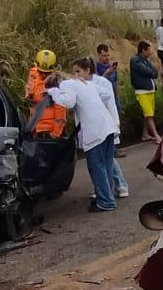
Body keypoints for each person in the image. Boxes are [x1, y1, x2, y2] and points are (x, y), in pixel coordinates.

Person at [44, 60, 117, 212]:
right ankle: (108, 195)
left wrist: (53, 93)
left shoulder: (66, 85)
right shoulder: (85, 83)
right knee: (107, 164)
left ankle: (106, 201)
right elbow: (106, 94)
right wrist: (90, 98)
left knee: (97, 167)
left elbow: (68, 102)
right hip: (108, 126)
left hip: (95, 130)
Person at [86, 62, 129, 198]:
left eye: (77, 71)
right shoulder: (83, 84)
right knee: (100, 160)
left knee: (106, 159)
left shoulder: (101, 83)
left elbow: (110, 104)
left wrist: (115, 124)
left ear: (87, 70)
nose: (75, 75)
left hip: (103, 126)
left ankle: (116, 186)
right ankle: (104, 188)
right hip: (92, 127)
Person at [25, 48, 68, 137]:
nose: (43, 75)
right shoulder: (33, 74)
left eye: (47, 73)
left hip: (49, 130)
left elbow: (61, 112)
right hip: (35, 125)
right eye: (41, 71)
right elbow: (29, 89)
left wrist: (56, 133)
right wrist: (28, 94)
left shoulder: (57, 83)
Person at [129, 40, 160, 141]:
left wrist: (152, 72)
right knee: (149, 114)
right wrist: (152, 72)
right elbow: (148, 71)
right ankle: (156, 135)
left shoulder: (146, 60)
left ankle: (145, 134)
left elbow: (155, 72)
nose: (150, 53)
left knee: (148, 114)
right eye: (148, 50)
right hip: (142, 90)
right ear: (143, 50)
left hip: (150, 90)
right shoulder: (136, 60)